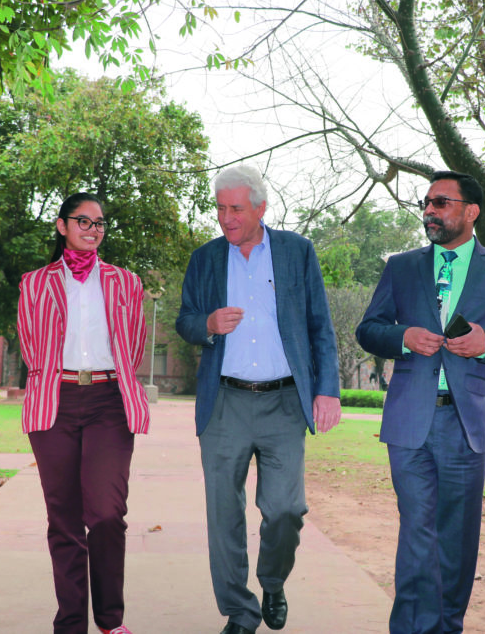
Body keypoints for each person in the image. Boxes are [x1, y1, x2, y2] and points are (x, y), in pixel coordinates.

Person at [356, 170, 485, 634]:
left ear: (470, 211)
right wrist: (402, 337)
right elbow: (368, 329)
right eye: (427, 203)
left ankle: (447, 626)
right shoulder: (401, 266)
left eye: (441, 203)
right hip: (410, 421)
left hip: (464, 423)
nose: (429, 211)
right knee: (417, 531)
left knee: (456, 539)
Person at [175, 165, 342, 634]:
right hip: (224, 404)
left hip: (284, 403)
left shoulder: (296, 252)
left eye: (236, 209)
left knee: (286, 509)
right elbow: (185, 320)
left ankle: (272, 580)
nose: (226, 218)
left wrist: (327, 389)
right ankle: (240, 612)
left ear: (261, 208)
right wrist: (207, 324)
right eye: (220, 208)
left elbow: (319, 327)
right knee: (223, 514)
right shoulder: (205, 259)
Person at [17, 192, 148, 634]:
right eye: (83, 221)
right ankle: (70, 623)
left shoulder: (126, 282)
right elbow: (30, 346)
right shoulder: (34, 283)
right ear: (61, 226)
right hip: (55, 400)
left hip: (109, 401)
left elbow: (134, 342)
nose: (93, 229)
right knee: (64, 519)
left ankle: (111, 622)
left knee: (107, 513)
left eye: (99, 223)